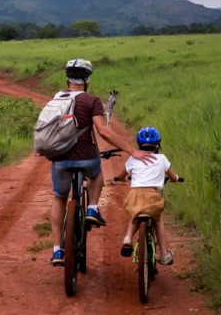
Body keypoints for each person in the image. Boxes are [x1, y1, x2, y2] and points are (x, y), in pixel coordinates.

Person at [49, 59, 156, 266]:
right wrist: (132, 150)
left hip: (60, 159)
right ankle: (92, 208)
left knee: (59, 198)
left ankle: (56, 250)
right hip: (86, 158)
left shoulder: (56, 99)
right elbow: (103, 130)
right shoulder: (92, 101)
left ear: (67, 79)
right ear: (87, 79)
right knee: (96, 175)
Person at [116, 126, 180, 266]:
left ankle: (127, 238)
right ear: (158, 145)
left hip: (135, 195)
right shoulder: (162, 159)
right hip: (152, 196)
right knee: (157, 219)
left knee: (135, 215)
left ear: (139, 145)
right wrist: (176, 178)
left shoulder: (134, 158)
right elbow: (172, 176)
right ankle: (163, 254)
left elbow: (122, 176)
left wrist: (121, 179)